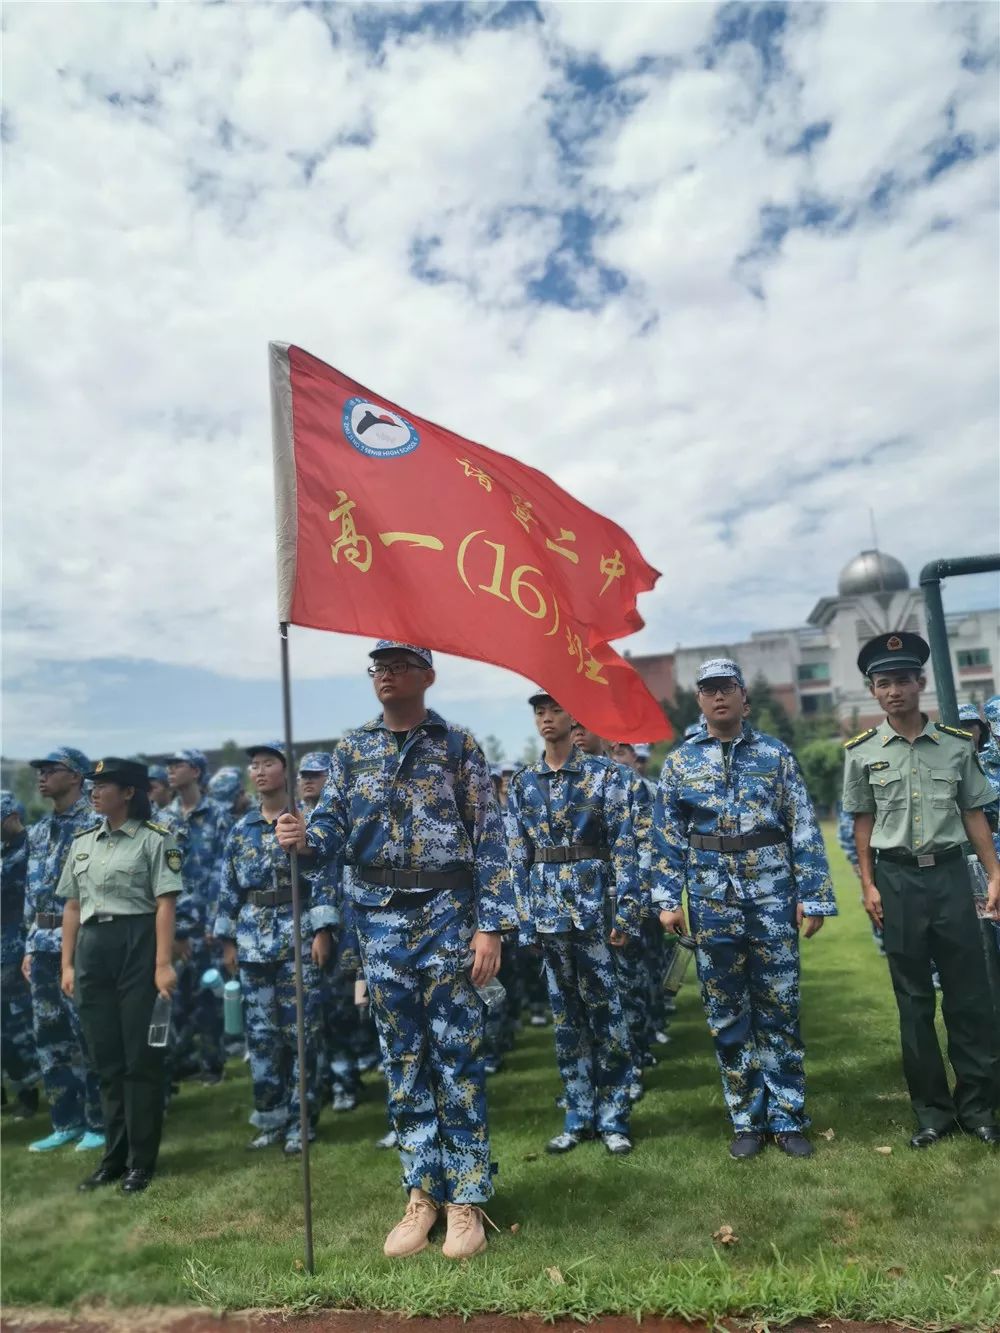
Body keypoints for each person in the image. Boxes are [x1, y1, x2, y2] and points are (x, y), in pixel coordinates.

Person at [276, 641, 516, 1261]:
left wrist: (489, 927)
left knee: (457, 1059)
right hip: (380, 926)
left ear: (427, 676)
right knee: (403, 1060)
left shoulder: (458, 746)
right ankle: (421, 1194)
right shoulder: (353, 750)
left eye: (399, 666)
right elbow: (331, 831)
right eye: (378, 667)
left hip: (447, 919)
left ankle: (467, 1198)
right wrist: (301, 835)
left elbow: (489, 839)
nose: (386, 676)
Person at [653, 658, 837, 1160]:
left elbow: (801, 824)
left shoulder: (775, 755)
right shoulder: (680, 762)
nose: (718, 698)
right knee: (727, 1012)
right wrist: (668, 900)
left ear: (743, 698)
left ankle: (788, 1115)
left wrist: (814, 894)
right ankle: (746, 1119)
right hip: (712, 902)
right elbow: (667, 838)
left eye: (727, 688)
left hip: (772, 896)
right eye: (709, 690)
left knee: (778, 1006)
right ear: (699, 701)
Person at [842, 634, 1000, 1148]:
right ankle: (931, 1112)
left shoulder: (956, 745)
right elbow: (862, 824)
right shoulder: (863, 753)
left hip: (952, 877)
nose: (894, 691)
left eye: (902, 681)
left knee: (969, 997)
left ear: (920, 683)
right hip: (897, 880)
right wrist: (868, 884)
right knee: (913, 1002)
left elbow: (974, 813)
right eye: (883, 683)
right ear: (873, 691)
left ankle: (978, 1108)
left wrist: (995, 873)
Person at [508, 690, 640, 1157]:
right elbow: (516, 856)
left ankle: (615, 1116)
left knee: (608, 1014)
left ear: (573, 715)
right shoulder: (523, 782)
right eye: (539, 711)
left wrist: (626, 910)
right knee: (566, 1021)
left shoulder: (608, 777)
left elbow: (625, 847)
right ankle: (578, 1114)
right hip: (547, 915)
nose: (547, 718)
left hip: (594, 911)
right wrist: (524, 923)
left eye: (556, 709)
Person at [58, 759, 183, 1192]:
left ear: (128, 792)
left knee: (139, 1060)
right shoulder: (82, 843)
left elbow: (165, 903)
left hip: (138, 943)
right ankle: (113, 1158)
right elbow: (72, 907)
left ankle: (140, 1161)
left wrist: (162, 964)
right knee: (106, 1060)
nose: (94, 792)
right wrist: (68, 964)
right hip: (93, 948)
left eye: (103, 785)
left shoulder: (155, 840)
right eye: (92, 786)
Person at [214, 741, 338, 1155]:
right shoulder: (241, 829)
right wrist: (227, 939)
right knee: (262, 1036)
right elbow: (229, 886)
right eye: (254, 765)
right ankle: (270, 1118)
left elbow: (322, 878)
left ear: (285, 771)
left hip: (296, 939)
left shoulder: (303, 823)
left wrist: (323, 931)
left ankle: (302, 1121)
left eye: (268, 763)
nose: (260, 770)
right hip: (252, 944)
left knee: (301, 1033)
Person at [22, 748, 104, 1154]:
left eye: (49, 769)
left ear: (75, 776)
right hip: (42, 943)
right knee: (51, 1037)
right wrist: (28, 943)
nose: (41, 777)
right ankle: (66, 1120)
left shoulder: (96, 823)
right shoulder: (38, 831)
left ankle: (99, 1120)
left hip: (83, 939)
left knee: (87, 1033)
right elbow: (31, 892)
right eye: (39, 770)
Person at [164, 750, 231, 1085]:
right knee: (173, 1001)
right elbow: (157, 879)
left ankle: (212, 1065)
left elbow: (224, 873)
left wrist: (214, 924)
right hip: (173, 926)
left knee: (209, 1000)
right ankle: (178, 1061)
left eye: (176, 765)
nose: (170, 771)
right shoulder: (163, 819)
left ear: (195, 771)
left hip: (207, 927)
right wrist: (172, 932)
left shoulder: (219, 816)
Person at [1, 792, 40, 1119]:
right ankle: (21, 1088)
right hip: (5, 950)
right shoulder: (6, 851)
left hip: (17, 951)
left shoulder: (28, 849)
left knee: (20, 1024)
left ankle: (31, 1091)